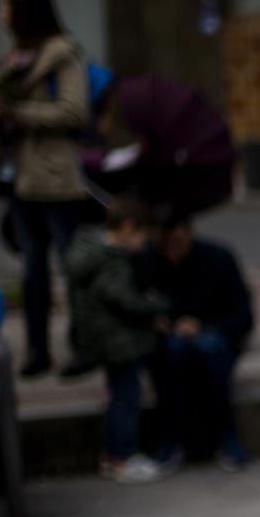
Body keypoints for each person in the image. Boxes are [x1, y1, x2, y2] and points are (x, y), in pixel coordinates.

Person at [0, 0, 89, 378]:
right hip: (18, 178)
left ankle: (82, 346)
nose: (0, 14)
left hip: (57, 179)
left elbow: (75, 111)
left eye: (6, 6)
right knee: (32, 271)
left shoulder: (63, 54)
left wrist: (17, 114)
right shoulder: (11, 60)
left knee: (70, 267)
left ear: (24, 11)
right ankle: (38, 350)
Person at [64, 197, 171, 483]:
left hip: (101, 338)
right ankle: (121, 458)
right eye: (143, 236)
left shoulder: (88, 252)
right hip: (118, 342)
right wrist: (157, 305)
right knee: (126, 399)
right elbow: (125, 301)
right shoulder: (111, 262)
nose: (144, 244)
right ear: (127, 228)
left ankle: (114, 457)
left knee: (118, 397)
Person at [147, 211, 255, 472]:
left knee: (209, 348)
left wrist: (202, 326)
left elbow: (244, 317)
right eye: (165, 244)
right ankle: (171, 440)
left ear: (189, 233)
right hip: (169, 343)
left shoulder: (217, 258)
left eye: (177, 242)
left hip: (216, 336)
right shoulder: (148, 262)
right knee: (173, 350)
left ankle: (226, 439)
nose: (171, 251)